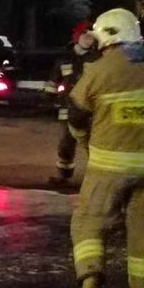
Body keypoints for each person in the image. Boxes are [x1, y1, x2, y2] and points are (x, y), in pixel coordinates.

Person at [67, 8, 144, 288]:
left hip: (109, 168)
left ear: (106, 36)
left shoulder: (100, 71)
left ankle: (90, 278)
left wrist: (85, 142)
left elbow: (75, 115)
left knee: (89, 220)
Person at [46, 22, 98, 187]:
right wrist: (50, 99)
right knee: (66, 143)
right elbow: (53, 81)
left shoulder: (97, 59)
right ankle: (63, 175)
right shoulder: (64, 59)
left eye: (91, 37)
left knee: (92, 143)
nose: (89, 40)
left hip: (90, 108)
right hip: (67, 107)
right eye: (85, 36)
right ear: (76, 37)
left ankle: (95, 178)